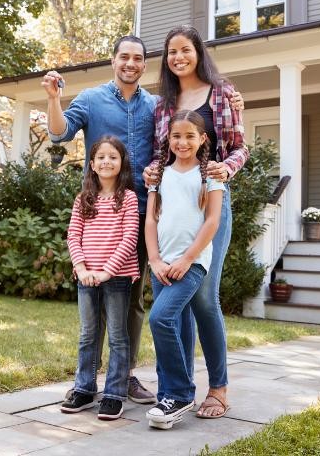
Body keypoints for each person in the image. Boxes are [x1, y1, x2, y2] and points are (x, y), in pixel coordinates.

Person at [42, 36, 157, 403]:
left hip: (141, 215)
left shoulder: (155, 105)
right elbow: (59, 133)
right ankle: (88, 380)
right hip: (99, 216)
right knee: (94, 305)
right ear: (113, 61)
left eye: (137, 58)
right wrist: (54, 99)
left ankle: (125, 377)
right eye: (124, 56)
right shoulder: (91, 99)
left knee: (132, 302)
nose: (130, 63)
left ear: (144, 64)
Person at [144, 25, 249, 419]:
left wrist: (225, 168)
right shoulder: (162, 103)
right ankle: (180, 389)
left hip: (210, 201)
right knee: (177, 302)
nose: (178, 57)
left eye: (185, 50)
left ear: (197, 52)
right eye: (171, 51)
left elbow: (240, 147)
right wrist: (152, 174)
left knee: (205, 299)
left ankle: (218, 389)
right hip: (173, 205)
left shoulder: (222, 92)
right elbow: (161, 153)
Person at [145, 110, 225, 430]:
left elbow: (212, 221)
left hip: (191, 264)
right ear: (168, 138)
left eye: (190, 135)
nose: (182, 141)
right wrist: (154, 259)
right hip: (161, 263)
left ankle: (180, 393)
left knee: (160, 317)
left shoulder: (211, 176)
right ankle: (168, 397)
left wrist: (187, 259)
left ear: (202, 139)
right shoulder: (159, 175)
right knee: (174, 325)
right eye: (177, 135)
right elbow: (151, 219)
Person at [61, 136, 140, 420]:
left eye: (113, 157)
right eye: (101, 157)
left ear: (121, 164)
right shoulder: (84, 199)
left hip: (116, 276)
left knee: (118, 336)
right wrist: (81, 269)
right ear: (92, 164)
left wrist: (108, 270)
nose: (107, 161)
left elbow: (130, 237)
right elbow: (73, 235)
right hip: (86, 277)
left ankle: (115, 394)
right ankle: (84, 388)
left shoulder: (128, 198)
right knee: (88, 335)